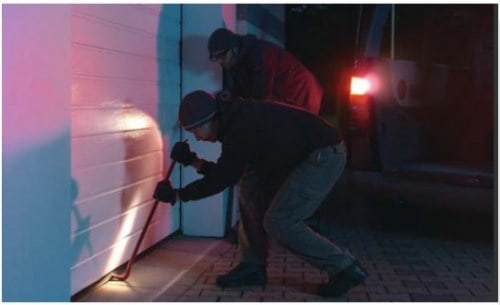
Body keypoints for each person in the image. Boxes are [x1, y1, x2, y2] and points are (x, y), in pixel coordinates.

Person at [153, 90, 367, 297]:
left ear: (209, 119)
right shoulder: (233, 121)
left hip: (323, 155)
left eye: (195, 131)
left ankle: (345, 268)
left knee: (280, 222)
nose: (197, 138)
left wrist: (177, 196)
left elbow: (221, 179)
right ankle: (252, 266)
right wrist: (192, 161)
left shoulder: (239, 128)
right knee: (249, 185)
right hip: (302, 154)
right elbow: (230, 173)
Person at [208, 28, 323, 114]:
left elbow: (260, 96)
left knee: (298, 130)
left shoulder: (258, 56)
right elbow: (247, 88)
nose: (220, 61)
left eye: (222, 56)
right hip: (285, 93)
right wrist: (232, 93)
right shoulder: (237, 61)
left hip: (301, 91)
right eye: (215, 58)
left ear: (234, 49)